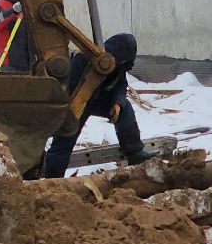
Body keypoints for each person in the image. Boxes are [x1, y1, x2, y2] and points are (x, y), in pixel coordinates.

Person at [39, 32, 159, 178]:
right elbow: (69, 87)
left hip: (100, 100)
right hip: (77, 102)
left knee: (125, 108)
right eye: (119, 61)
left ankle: (135, 152)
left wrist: (117, 103)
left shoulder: (118, 65)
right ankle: (53, 180)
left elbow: (121, 84)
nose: (120, 64)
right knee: (64, 142)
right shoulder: (81, 61)